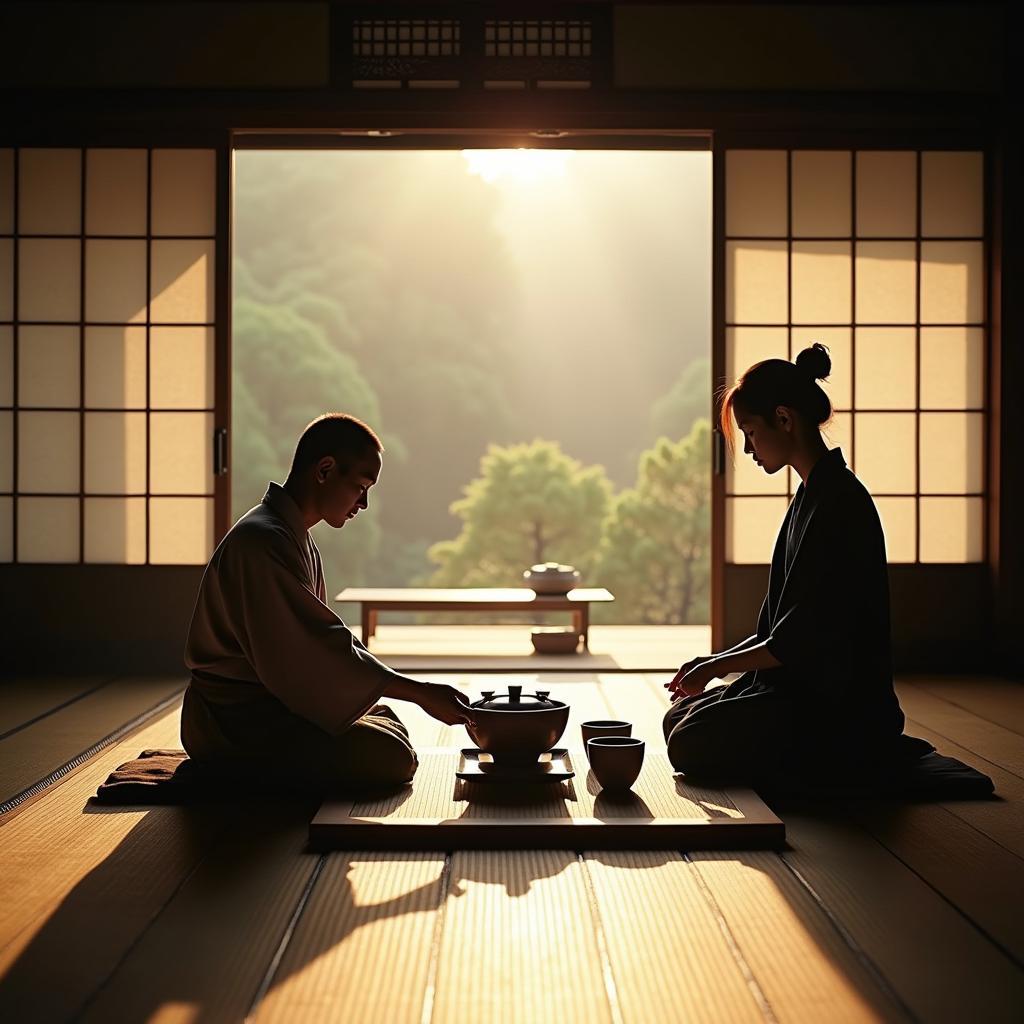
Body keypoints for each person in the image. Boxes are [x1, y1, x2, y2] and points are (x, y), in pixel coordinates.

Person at [663, 343, 932, 785]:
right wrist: (711, 661)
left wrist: (716, 668)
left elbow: (795, 642)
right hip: (797, 690)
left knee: (690, 740)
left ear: (784, 420)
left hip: (838, 706)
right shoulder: (812, 495)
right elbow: (777, 630)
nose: (748, 449)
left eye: (750, 432)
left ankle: (847, 756)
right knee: (680, 719)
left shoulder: (839, 503)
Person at [182, 412, 474, 792]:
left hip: (270, 705)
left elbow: (324, 644)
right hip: (234, 721)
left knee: (385, 720)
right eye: (360, 486)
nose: (364, 503)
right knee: (391, 756)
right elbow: (313, 653)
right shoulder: (263, 541)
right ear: (324, 470)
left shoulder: (288, 534)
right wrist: (419, 691)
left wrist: (409, 692)